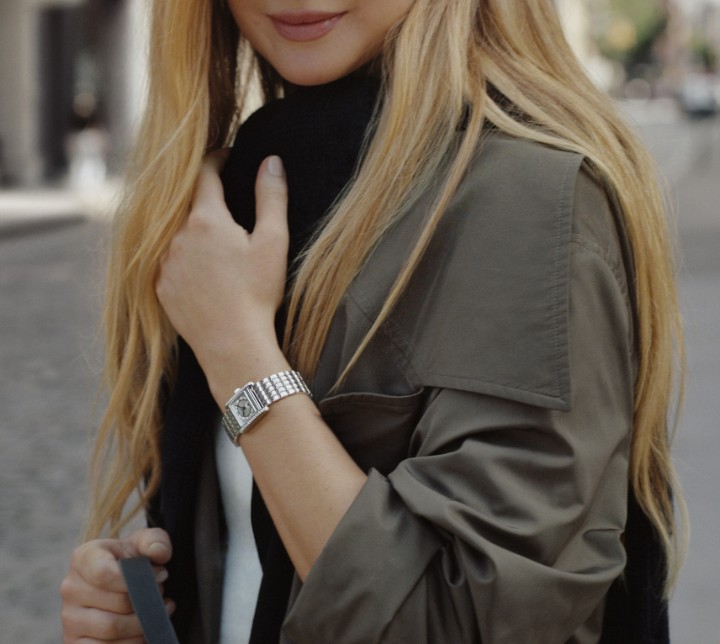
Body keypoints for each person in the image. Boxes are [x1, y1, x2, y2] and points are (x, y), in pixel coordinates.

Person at [60, 1, 686, 642]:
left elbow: (465, 622)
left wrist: (239, 356)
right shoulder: (244, 188)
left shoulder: (520, 201)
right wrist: (146, 613)